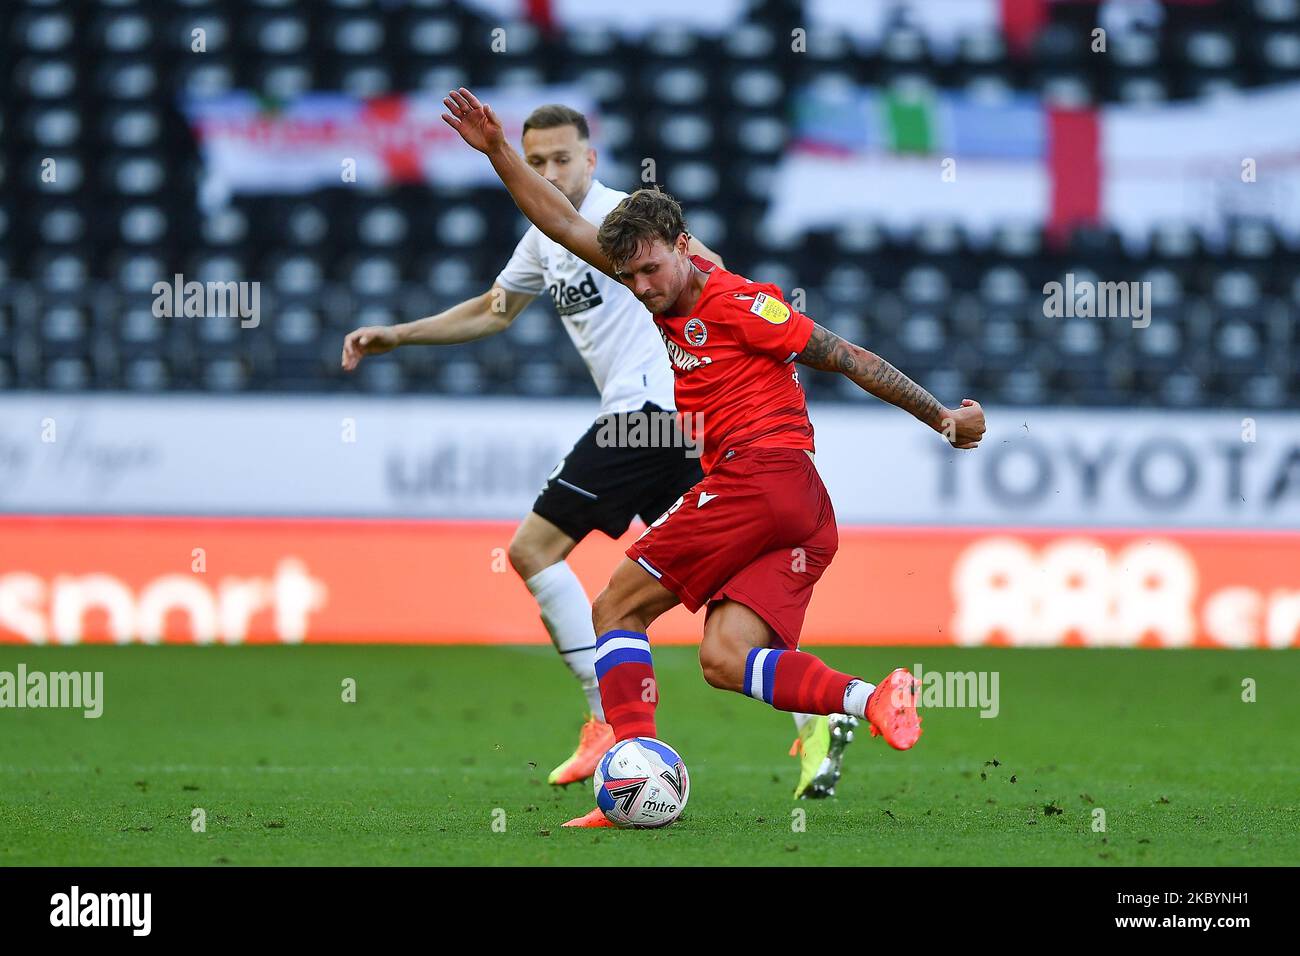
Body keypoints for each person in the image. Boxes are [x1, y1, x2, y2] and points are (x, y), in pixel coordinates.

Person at [440, 87, 986, 827]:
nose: (639, 288)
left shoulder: (737, 303)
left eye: (649, 273)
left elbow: (846, 356)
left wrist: (943, 418)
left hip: (759, 480)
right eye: (627, 277)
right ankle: (870, 698)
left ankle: (626, 764)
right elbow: (564, 222)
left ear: (684, 247)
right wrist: (498, 151)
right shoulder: (654, 280)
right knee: (725, 659)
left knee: (615, 605)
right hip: (798, 510)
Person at [343, 104, 851, 796]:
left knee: (534, 550)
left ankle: (604, 723)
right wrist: (399, 335)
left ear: (591, 158)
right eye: (537, 161)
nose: (550, 171)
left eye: (560, 159)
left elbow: (712, 272)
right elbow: (495, 310)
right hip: (684, 437)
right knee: (719, 599)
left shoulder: (628, 226)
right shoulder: (540, 239)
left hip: (647, 414)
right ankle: (814, 719)